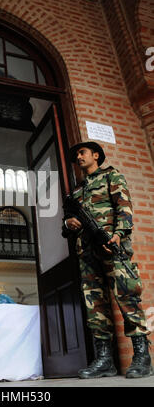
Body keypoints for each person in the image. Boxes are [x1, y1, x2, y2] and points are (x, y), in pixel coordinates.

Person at [62, 141, 153, 379]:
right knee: (95, 305)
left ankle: (142, 357)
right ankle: (104, 361)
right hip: (87, 251)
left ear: (96, 155)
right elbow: (68, 221)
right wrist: (68, 223)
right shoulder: (76, 191)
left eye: (82, 152)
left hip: (112, 245)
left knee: (127, 297)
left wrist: (118, 235)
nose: (79, 157)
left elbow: (124, 207)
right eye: (77, 154)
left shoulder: (112, 176)